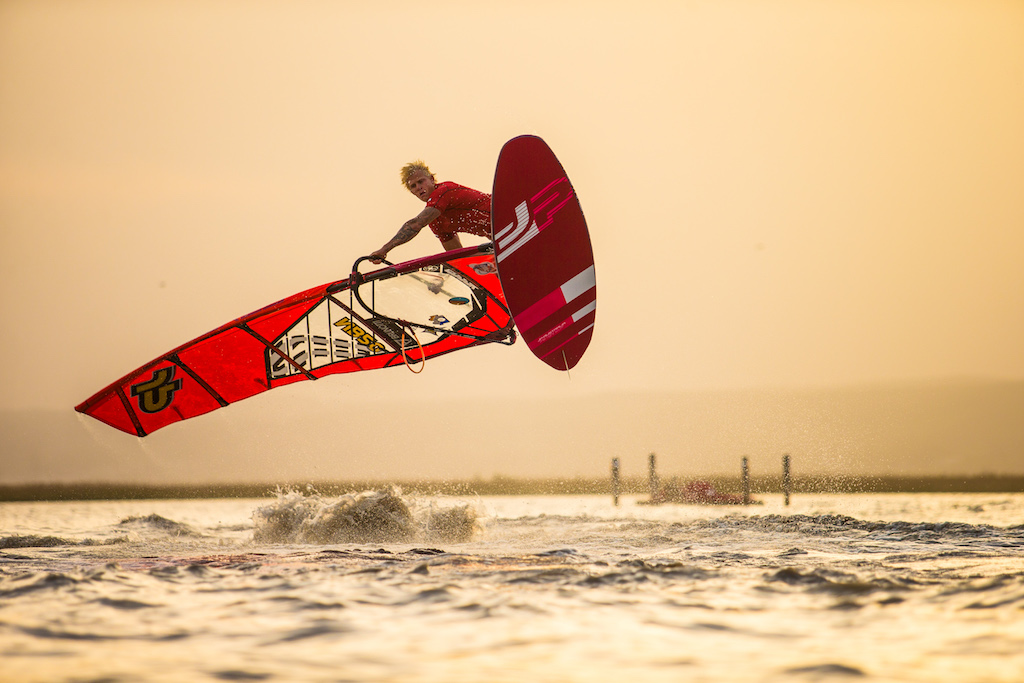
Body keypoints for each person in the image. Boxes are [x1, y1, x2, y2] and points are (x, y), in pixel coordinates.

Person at [369, 161, 491, 263]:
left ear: (432, 180)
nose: (419, 187)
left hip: (505, 210)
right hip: (498, 235)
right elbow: (457, 255)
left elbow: (415, 224)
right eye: (413, 186)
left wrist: (384, 249)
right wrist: (441, 282)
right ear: (412, 192)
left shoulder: (444, 191)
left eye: (421, 181)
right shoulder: (435, 221)